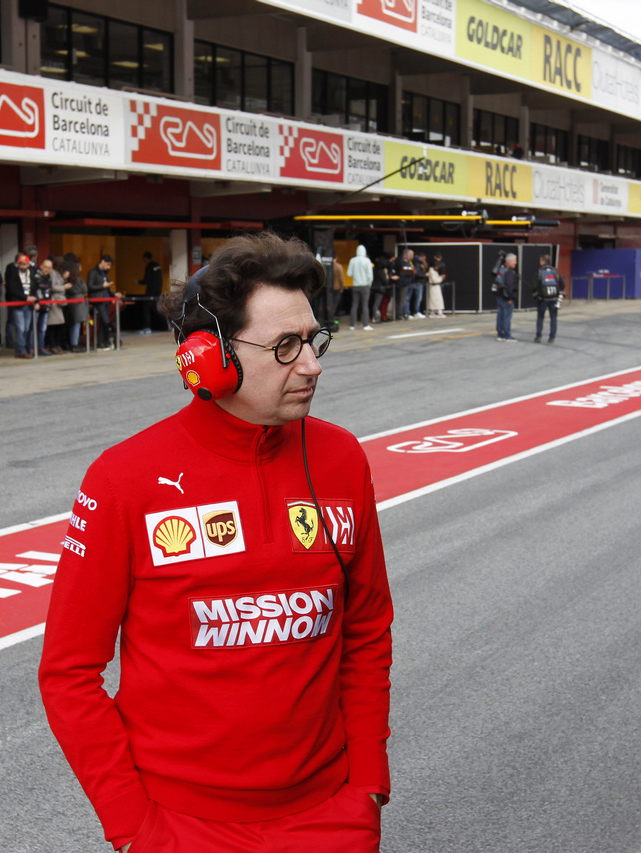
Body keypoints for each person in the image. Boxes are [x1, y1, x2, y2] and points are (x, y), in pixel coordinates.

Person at [39, 231, 393, 853]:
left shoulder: (340, 459)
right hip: (180, 827)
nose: (311, 365)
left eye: (312, 341)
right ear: (208, 357)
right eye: (285, 347)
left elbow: (365, 629)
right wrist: (133, 826)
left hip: (330, 814)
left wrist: (366, 783)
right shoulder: (124, 478)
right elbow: (69, 673)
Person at [5, 254, 37, 358]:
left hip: (29, 304)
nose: (22, 266)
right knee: (21, 328)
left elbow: (35, 287)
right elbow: (12, 289)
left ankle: (22, 349)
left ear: (28, 264)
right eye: (20, 264)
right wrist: (25, 298)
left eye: (24, 264)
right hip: (18, 304)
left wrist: (35, 300)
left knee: (27, 328)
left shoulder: (32, 273)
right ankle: (21, 350)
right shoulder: (13, 273)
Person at [88, 255, 117, 348]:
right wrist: (102, 286)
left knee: (104, 320)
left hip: (107, 299)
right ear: (102, 261)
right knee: (105, 320)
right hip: (98, 299)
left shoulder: (104, 274)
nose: (109, 267)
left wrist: (114, 294)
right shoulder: (93, 272)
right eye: (108, 264)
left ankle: (102, 341)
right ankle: (105, 340)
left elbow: (107, 289)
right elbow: (90, 286)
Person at [533, 254, 561, 343]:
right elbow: (563, 284)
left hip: (543, 299)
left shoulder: (540, 272)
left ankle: (538, 336)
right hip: (554, 298)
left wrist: (535, 293)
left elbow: (535, 285)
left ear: (543, 261)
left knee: (540, 317)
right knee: (553, 318)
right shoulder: (555, 272)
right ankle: (552, 337)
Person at [63, 257, 89, 352]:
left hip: (71, 301)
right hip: (78, 302)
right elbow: (85, 289)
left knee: (73, 324)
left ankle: (72, 343)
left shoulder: (70, 278)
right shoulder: (78, 278)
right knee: (77, 324)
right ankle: (75, 344)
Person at [43, 257, 68, 354]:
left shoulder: (57, 273)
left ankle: (57, 345)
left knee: (59, 325)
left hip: (59, 302)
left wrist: (64, 280)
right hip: (54, 300)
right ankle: (53, 345)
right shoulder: (52, 273)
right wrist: (63, 287)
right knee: (53, 325)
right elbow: (53, 286)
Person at [347, 245, 374, 330]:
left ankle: (352, 324)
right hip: (365, 285)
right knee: (365, 305)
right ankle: (365, 324)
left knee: (354, 305)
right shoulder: (367, 261)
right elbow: (370, 275)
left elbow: (349, 274)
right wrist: (369, 284)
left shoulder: (352, 260)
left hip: (355, 285)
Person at [494, 251, 517, 341]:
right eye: (515, 260)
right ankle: (507, 335)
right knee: (507, 316)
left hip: (499, 295)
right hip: (506, 296)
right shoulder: (510, 271)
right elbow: (509, 285)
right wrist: (510, 298)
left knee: (500, 315)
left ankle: (500, 334)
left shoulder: (501, 269)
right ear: (510, 261)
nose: (516, 262)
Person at [139, 251, 164, 334]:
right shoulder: (157, 265)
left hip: (151, 291)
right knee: (156, 308)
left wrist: (139, 282)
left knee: (146, 308)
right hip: (158, 289)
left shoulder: (149, 267)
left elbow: (147, 280)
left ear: (145, 258)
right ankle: (169, 323)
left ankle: (147, 327)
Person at [426, 253, 446, 318]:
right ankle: (433, 311)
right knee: (434, 300)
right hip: (434, 286)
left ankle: (437, 311)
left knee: (438, 299)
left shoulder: (435, 271)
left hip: (436, 286)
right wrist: (441, 278)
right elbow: (435, 280)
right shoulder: (432, 271)